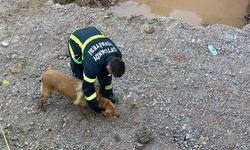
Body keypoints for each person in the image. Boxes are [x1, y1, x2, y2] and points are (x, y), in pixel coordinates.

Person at [68, 26, 125, 114]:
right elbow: (88, 87)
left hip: (94, 32)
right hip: (76, 39)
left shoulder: (117, 54)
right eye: (113, 73)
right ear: (108, 67)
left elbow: (107, 75)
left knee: (105, 76)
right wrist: (96, 106)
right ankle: (79, 91)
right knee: (79, 71)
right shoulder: (92, 67)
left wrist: (107, 93)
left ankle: (108, 93)